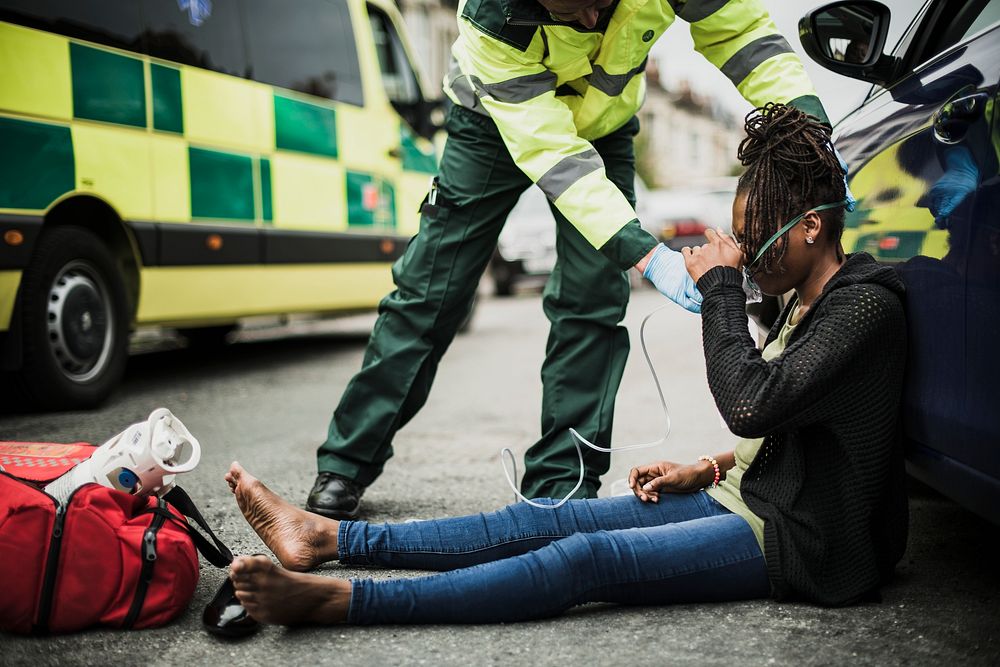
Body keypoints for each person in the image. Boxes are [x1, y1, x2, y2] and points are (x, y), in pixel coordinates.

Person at [228, 105, 908, 625]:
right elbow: (793, 413)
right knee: (550, 517)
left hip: (793, 540)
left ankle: (340, 600)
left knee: (586, 559)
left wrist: (722, 288)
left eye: (759, 239)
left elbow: (754, 402)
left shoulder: (864, 308)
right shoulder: (807, 299)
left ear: (812, 228)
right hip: (743, 496)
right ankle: (329, 535)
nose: (750, 252)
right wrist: (707, 467)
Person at [306, 0, 838, 517]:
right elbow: (557, 159)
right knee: (429, 293)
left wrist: (814, 141)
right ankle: (347, 462)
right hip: (491, 122)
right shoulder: (489, 18)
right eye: (568, 11)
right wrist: (649, 256)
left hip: (606, 127)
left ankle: (560, 488)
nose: (590, 21)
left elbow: (742, 35)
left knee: (591, 302)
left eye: (599, 3)